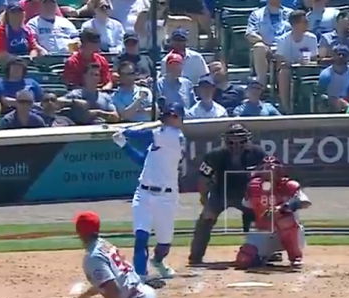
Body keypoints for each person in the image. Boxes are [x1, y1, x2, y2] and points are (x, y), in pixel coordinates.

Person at [112, 103, 186, 280]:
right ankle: (140, 275)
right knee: (141, 236)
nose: (170, 119)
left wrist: (125, 130)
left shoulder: (175, 136)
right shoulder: (160, 137)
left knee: (164, 243)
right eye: (168, 116)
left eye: (173, 116)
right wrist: (123, 145)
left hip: (167, 196)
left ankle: (158, 261)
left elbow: (142, 135)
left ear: (180, 118)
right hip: (143, 194)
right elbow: (142, 160)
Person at [188, 123, 262, 265]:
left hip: (247, 193)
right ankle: (196, 255)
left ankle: (265, 252)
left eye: (241, 141)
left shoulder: (257, 153)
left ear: (247, 140)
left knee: (262, 216)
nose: (236, 145)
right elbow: (204, 178)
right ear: (225, 141)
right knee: (206, 218)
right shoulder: (214, 155)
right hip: (220, 192)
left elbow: (266, 175)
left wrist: (261, 201)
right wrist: (204, 198)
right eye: (231, 142)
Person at [235, 156, 311, 269]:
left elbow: (305, 202)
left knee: (285, 220)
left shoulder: (289, 185)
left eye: (273, 169)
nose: (270, 172)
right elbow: (246, 206)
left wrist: (282, 208)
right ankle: (262, 257)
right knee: (244, 259)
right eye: (267, 169)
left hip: (290, 233)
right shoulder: (253, 187)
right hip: (264, 232)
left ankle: (295, 257)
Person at [275, 10, 319, 113]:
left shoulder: (312, 38)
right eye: (304, 22)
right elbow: (280, 61)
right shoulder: (283, 39)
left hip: (308, 69)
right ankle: (286, 107)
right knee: (283, 73)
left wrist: (306, 62)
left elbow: (314, 59)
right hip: (290, 69)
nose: (307, 24)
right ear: (295, 24)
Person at [246, 0, 292, 85]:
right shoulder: (256, 14)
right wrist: (265, 43)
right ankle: (261, 84)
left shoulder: (290, 13)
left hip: (286, 46)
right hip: (266, 47)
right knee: (258, 47)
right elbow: (250, 33)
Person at [317, 45, 349, 113]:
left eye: (344, 55)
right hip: (330, 107)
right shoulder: (325, 75)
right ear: (334, 56)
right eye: (338, 54)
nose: (341, 57)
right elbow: (320, 94)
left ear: (348, 57)